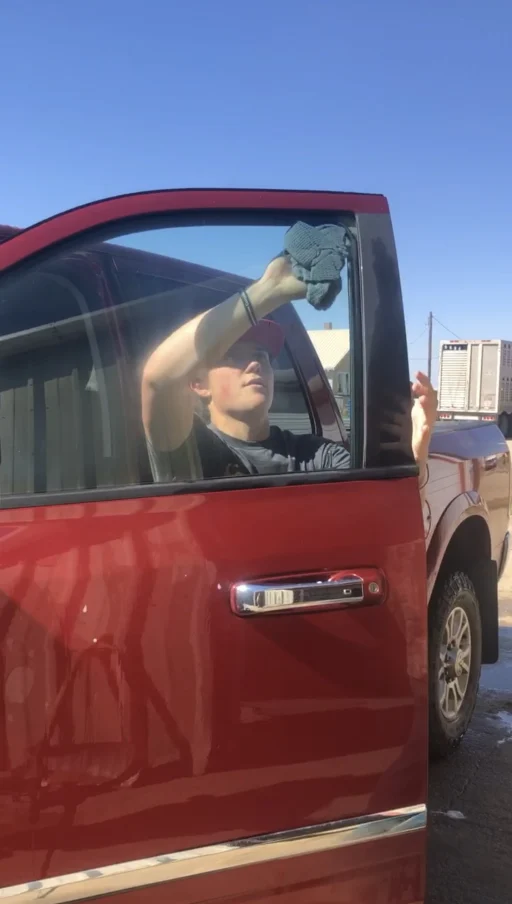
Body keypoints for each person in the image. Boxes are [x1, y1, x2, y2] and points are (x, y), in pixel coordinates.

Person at [141, 254, 437, 485]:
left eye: (261, 355)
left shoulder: (315, 455)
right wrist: (268, 291)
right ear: (198, 384)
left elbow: (381, 501)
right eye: (234, 357)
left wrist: (414, 454)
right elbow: (158, 380)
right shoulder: (191, 451)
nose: (255, 363)